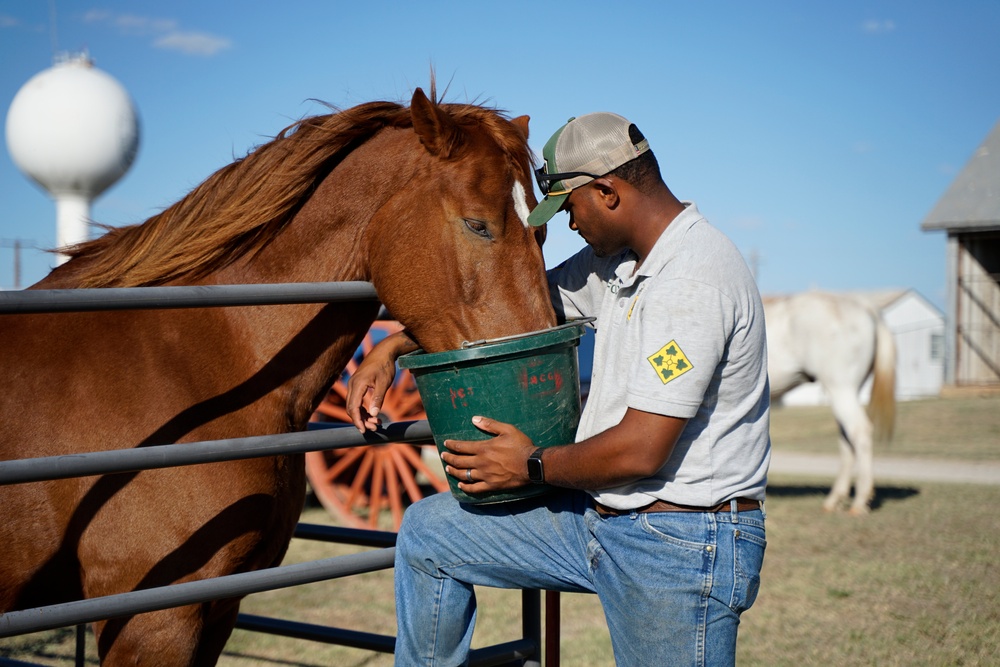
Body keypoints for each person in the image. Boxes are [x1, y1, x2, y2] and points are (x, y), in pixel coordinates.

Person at [346, 112, 770, 666]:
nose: (569, 225)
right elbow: (520, 304)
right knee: (430, 536)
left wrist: (530, 466)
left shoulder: (691, 280)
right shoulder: (618, 265)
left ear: (607, 191)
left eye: (570, 208)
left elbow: (642, 450)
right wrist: (392, 347)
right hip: (601, 518)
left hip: (680, 539)